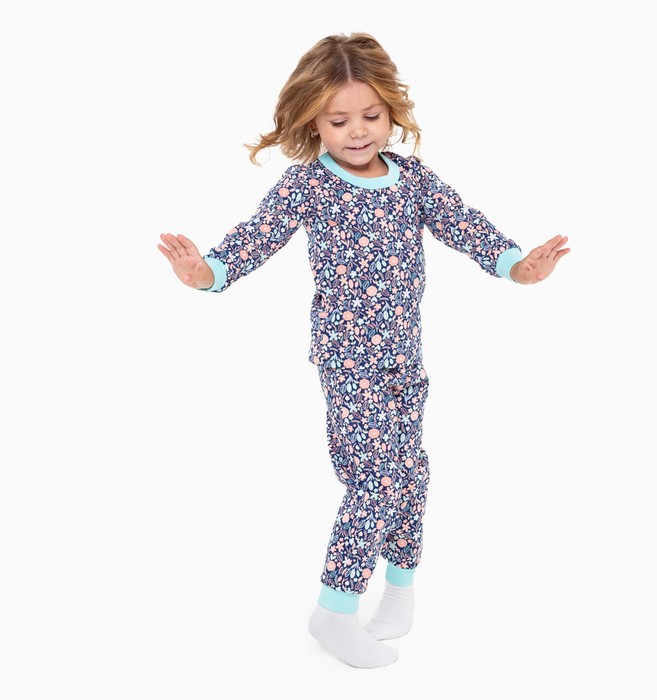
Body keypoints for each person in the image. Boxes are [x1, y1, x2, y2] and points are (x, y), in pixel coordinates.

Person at [157, 32, 570, 668]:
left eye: (371, 116)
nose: (357, 132)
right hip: (348, 362)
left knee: (410, 472)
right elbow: (255, 238)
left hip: (405, 357)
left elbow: (465, 224)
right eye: (338, 120)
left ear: (390, 111)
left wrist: (517, 265)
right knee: (373, 478)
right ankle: (336, 608)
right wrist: (206, 272)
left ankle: (400, 589)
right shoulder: (308, 185)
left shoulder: (412, 179)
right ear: (312, 122)